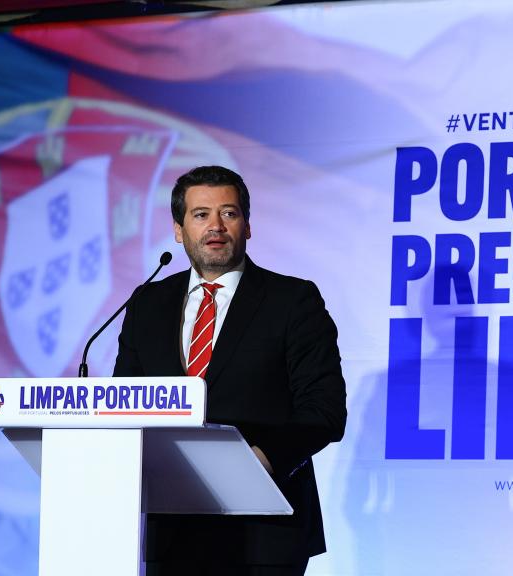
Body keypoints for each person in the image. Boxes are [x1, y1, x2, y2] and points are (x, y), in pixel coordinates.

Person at [114, 165, 347, 575]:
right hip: (167, 532)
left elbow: (325, 411)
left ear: (248, 226)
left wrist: (260, 460)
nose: (216, 226)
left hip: (264, 533)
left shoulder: (292, 300)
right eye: (201, 215)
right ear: (178, 229)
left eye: (230, 213)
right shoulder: (147, 304)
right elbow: (123, 404)